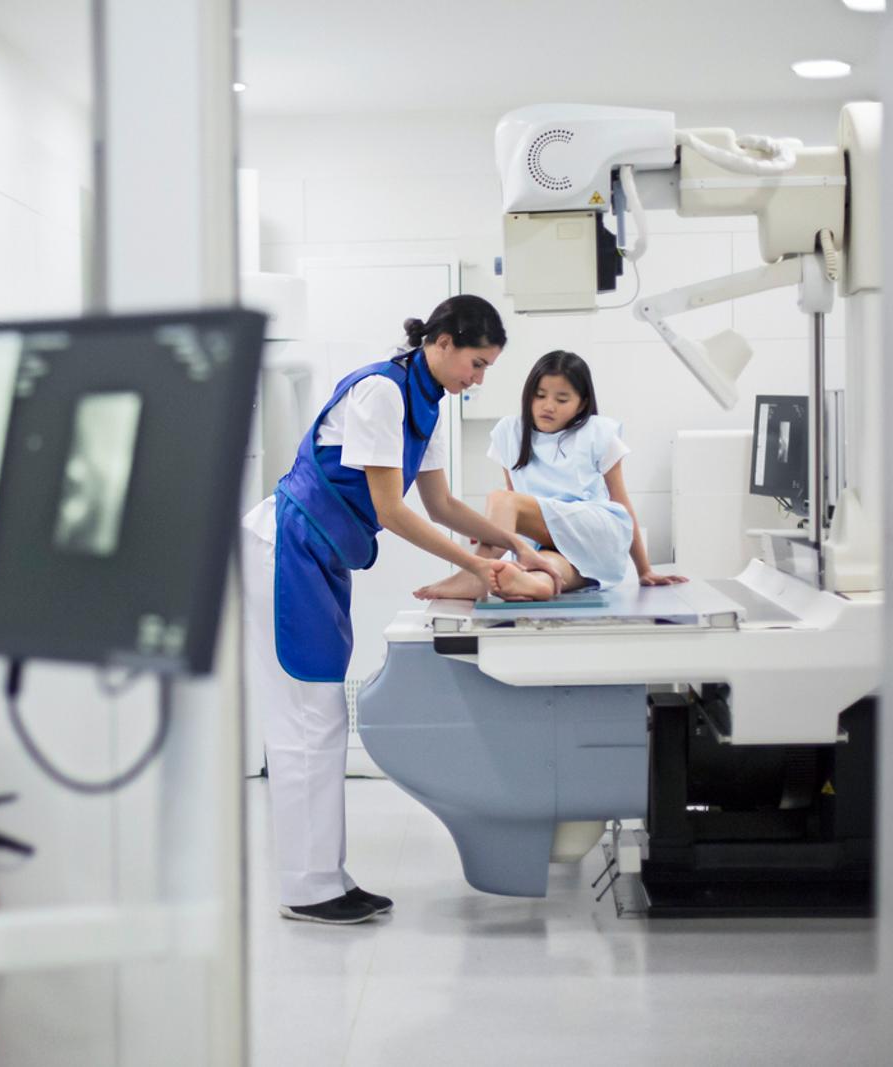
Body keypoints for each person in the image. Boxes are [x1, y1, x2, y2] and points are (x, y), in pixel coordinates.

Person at [240, 295, 563, 925]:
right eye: (476, 362)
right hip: (287, 547)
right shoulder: (382, 393)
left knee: (320, 715)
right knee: (308, 716)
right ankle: (308, 887)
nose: (479, 378)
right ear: (441, 342)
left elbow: (441, 506)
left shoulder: (427, 405)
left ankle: (323, 877)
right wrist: (477, 567)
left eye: (488, 367)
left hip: (321, 555)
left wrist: (520, 544)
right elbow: (392, 511)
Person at [414, 349, 685, 602]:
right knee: (545, 574)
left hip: (595, 532)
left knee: (504, 499)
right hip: (549, 545)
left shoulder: (598, 432)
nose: (548, 406)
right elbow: (515, 519)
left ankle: (476, 576)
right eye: (540, 395)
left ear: (582, 404)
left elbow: (621, 504)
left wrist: (644, 570)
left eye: (562, 399)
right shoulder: (510, 433)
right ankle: (531, 584)